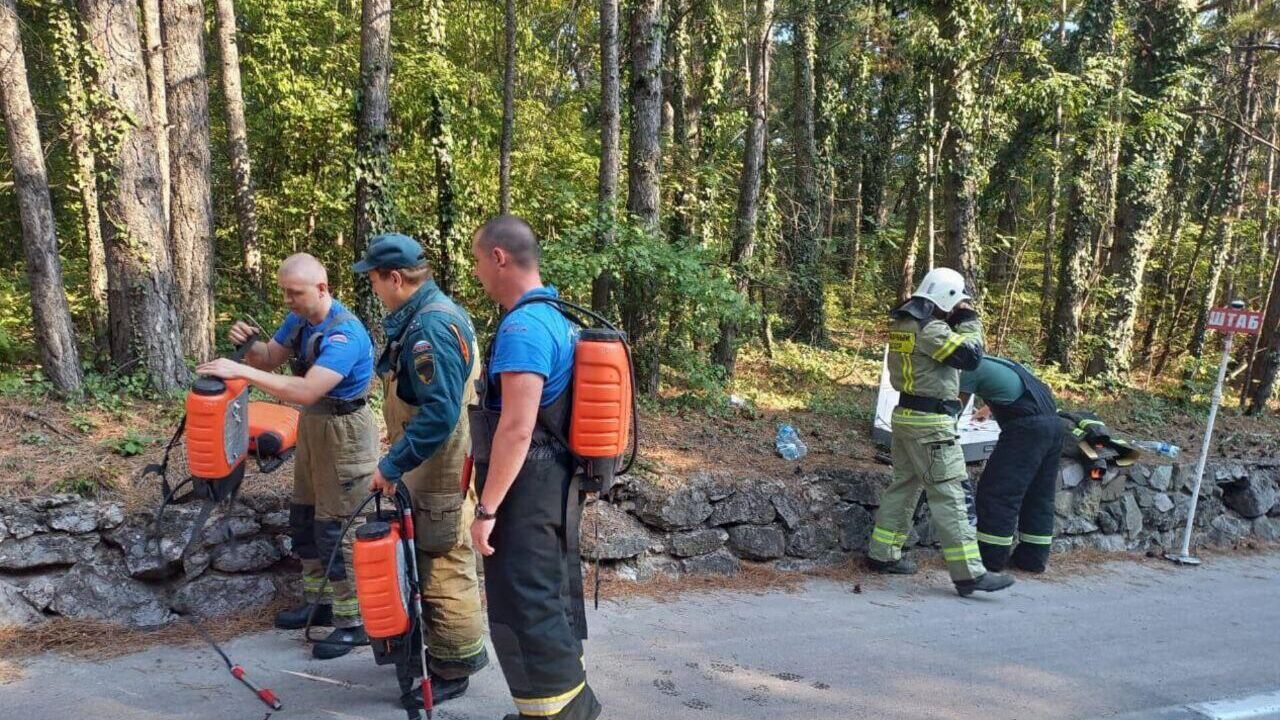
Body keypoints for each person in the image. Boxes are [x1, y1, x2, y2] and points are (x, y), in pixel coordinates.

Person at [195, 253, 377, 658]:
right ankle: (321, 603)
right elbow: (271, 359)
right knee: (307, 518)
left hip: (345, 430)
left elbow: (307, 388)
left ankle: (355, 622)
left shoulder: (345, 334)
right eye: (285, 293)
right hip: (314, 424)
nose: (288, 301)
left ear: (322, 289)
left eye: (295, 293)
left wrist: (241, 372)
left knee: (339, 526)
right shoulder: (300, 319)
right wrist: (247, 348)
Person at [467, 216, 601, 720]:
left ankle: (556, 715)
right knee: (549, 596)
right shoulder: (556, 313)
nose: (478, 272)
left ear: (499, 257)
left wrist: (486, 508)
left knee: (525, 606)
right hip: (555, 484)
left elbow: (517, 428)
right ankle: (566, 707)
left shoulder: (523, 326)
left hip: (527, 487)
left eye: (480, 260)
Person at [356, 233, 489, 708]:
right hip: (429, 459)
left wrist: (391, 465)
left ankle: (454, 668)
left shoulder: (429, 328)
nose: (372, 288)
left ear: (395, 278)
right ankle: (440, 654)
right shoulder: (428, 315)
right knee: (431, 559)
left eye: (373, 279)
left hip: (438, 462)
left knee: (442, 563)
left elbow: (438, 414)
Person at [865, 267, 1015, 598]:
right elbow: (971, 356)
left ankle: (882, 553)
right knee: (951, 493)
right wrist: (968, 319)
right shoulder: (931, 331)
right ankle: (969, 574)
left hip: (905, 417)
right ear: (945, 299)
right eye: (954, 301)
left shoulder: (903, 325)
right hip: (930, 424)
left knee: (903, 487)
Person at [961, 356, 1062, 573]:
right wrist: (987, 409)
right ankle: (1033, 558)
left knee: (999, 492)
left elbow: (954, 407)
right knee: (1040, 495)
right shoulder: (997, 363)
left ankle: (989, 558)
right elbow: (1017, 389)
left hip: (1027, 429)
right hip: (1054, 425)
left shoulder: (965, 367)